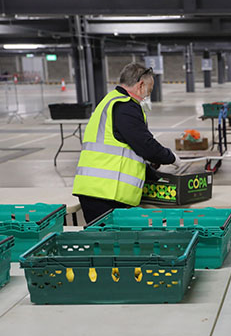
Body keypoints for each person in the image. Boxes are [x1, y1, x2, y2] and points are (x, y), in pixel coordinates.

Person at [72, 63, 183, 223]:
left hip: (99, 190)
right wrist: (171, 158)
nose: (147, 97)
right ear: (141, 85)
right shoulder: (125, 106)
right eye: (149, 91)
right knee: (110, 244)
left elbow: (128, 150)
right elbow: (145, 145)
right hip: (104, 193)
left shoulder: (111, 101)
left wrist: (155, 177)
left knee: (112, 244)